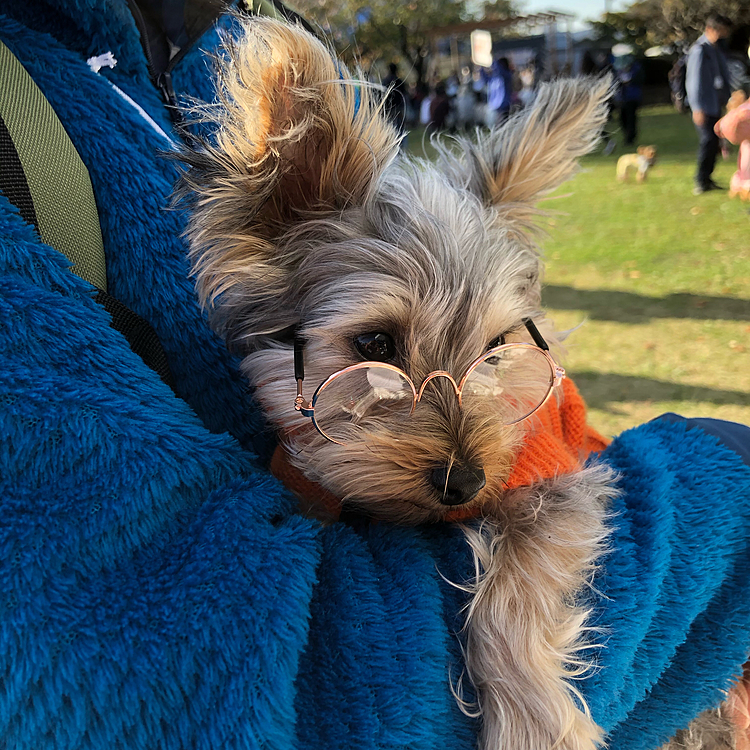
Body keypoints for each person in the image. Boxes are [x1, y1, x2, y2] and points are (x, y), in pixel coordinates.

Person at [2, 2, 750, 749]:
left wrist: (519, 660)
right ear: (270, 231)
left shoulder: (202, 35)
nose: (455, 452)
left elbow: (561, 501)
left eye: (489, 354)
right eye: (377, 345)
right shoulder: (30, 126)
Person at [686, 13, 733, 194]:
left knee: (715, 142)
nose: (724, 35)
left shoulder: (716, 49)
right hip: (704, 105)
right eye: (721, 30)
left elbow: (723, 76)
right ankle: (700, 179)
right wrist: (696, 107)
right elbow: (693, 81)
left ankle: (708, 178)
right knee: (708, 141)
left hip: (715, 103)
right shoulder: (699, 50)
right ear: (710, 29)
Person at [613, 47, 644, 146]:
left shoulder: (636, 68)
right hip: (622, 97)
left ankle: (630, 138)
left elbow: (640, 80)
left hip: (633, 97)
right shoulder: (618, 70)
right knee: (622, 118)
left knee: (631, 118)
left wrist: (629, 82)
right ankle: (627, 135)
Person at [382, 62, 407, 132]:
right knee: (400, 126)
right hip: (399, 106)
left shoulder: (385, 81)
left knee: (389, 126)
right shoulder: (400, 81)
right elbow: (404, 94)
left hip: (388, 107)